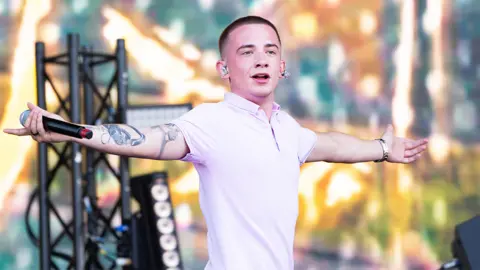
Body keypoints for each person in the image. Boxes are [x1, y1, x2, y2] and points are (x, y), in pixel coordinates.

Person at [4, 16, 428, 270]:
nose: (260, 59)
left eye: (270, 51)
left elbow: (330, 145)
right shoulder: (210, 121)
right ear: (225, 68)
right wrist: (67, 129)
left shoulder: (288, 128)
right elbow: (147, 140)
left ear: (282, 67)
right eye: (247, 52)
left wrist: (382, 148)